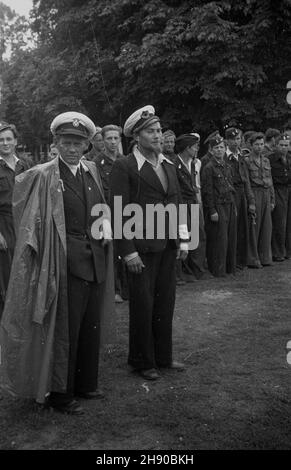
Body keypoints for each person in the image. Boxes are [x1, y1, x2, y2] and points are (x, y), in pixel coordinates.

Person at [0, 112, 114, 415]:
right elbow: (27, 217)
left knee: (90, 324)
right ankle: (61, 393)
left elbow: (101, 207)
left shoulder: (90, 170)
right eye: (66, 142)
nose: (72, 148)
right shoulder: (43, 174)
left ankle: (86, 384)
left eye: (78, 143)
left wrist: (105, 230)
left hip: (95, 259)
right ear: (56, 143)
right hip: (63, 262)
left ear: (87, 144)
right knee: (66, 329)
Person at [110, 105, 188, 381]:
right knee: (143, 305)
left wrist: (181, 238)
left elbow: (176, 202)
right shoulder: (125, 166)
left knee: (165, 302)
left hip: (167, 245)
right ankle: (142, 361)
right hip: (140, 249)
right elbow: (118, 212)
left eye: (158, 131)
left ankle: (163, 357)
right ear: (137, 136)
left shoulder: (168, 163)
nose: (157, 136)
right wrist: (128, 252)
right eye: (151, 132)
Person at [0, 121, 31, 319]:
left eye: (8, 139)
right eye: (0, 140)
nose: (4, 143)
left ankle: (21, 322)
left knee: (24, 272)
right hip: (3, 224)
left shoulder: (25, 165)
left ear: (16, 141)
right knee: (5, 276)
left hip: (23, 224)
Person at [93, 124, 127, 303]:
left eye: (116, 138)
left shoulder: (124, 160)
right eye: (109, 138)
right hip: (106, 213)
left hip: (126, 212)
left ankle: (126, 288)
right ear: (103, 140)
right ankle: (114, 290)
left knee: (126, 250)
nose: (113, 142)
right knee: (111, 255)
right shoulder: (96, 163)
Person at [173, 133, 210, 280]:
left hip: (193, 202)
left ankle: (197, 268)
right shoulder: (175, 164)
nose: (197, 149)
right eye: (195, 147)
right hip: (182, 203)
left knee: (198, 234)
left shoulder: (195, 163)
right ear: (187, 148)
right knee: (185, 236)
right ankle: (185, 271)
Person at [202, 136, 237, 277]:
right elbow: (207, 191)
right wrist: (212, 210)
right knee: (220, 240)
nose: (219, 150)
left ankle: (230, 268)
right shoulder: (208, 168)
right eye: (216, 148)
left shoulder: (227, 166)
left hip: (229, 203)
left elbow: (231, 186)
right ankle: (218, 269)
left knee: (230, 237)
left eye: (222, 147)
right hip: (217, 205)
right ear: (211, 150)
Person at [225, 128, 256, 269]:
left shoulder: (241, 157)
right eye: (233, 139)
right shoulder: (225, 157)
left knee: (243, 228)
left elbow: (247, 181)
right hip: (231, 194)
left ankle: (241, 260)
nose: (236, 142)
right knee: (233, 228)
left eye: (238, 139)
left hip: (242, 193)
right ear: (227, 141)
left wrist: (251, 201)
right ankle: (231, 260)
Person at [245, 132, 275, 267]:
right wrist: (251, 201)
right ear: (251, 145)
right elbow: (247, 183)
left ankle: (265, 257)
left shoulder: (266, 160)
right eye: (256, 144)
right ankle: (253, 259)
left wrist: (272, 199)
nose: (259, 147)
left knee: (267, 226)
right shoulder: (246, 160)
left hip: (266, 193)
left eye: (262, 144)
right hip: (255, 193)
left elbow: (271, 181)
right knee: (254, 226)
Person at [268, 135, 290, 261]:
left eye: (286, 145)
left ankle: (288, 251)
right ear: (276, 145)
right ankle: (277, 253)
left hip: (288, 189)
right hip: (277, 190)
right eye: (281, 145)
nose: (284, 147)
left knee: (288, 223)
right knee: (279, 222)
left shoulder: (289, 158)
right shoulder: (270, 159)